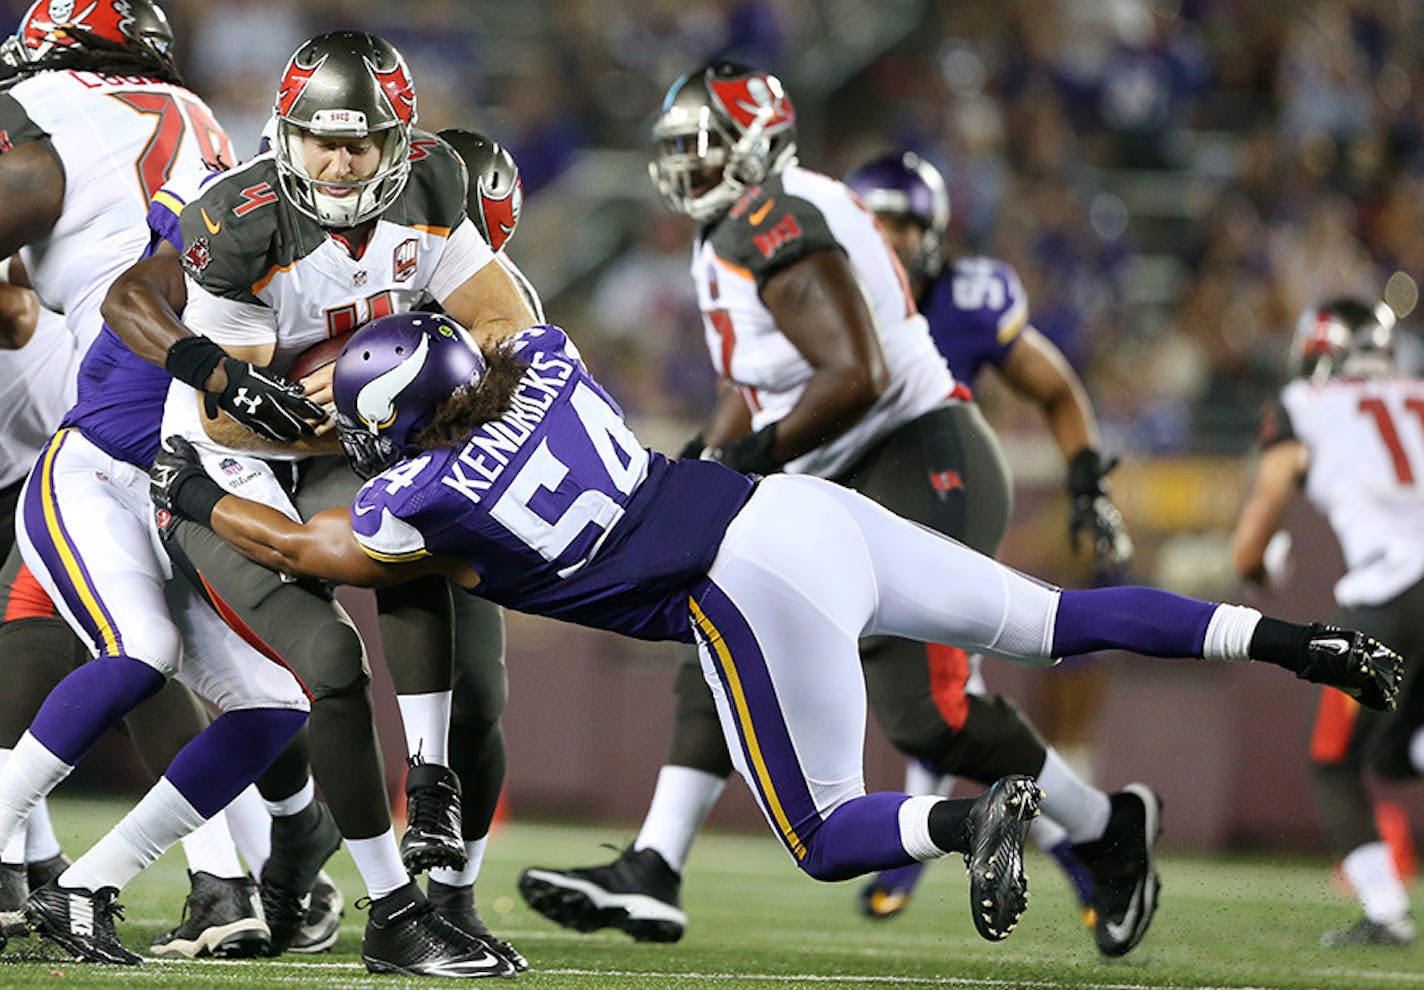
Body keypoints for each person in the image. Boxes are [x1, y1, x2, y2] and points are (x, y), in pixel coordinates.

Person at [149, 313, 1402, 956]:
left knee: (815, 832)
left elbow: (302, 550)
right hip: (798, 507)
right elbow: (487, 322)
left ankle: (971, 820)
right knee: (1057, 622)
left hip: (741, 578)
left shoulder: (419, 496)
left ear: (392, 423)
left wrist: (197, 491)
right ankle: (1299, 646)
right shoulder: (541, 358)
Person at [518, 61, 1149, 959]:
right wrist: (704, 461)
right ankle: (656, 862)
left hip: (913, 453)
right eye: (681, 152)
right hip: (831, 467)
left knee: (929, 714)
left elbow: (860, 374)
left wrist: (740, 459)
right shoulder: (732, 232)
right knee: (716, 614)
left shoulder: (780, 222)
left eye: (707, 150)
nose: (688, 170)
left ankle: (1100, 827)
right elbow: (755, 382)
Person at [100, 31, 536, 977]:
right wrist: (380, 407)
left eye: (360, 143)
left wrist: (425, 393)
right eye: (319, 141)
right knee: (330, 664)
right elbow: (235, 424)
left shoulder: (433, 184)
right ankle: (388, 907)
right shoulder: (241, 221)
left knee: (413, 542)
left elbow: (509, 324)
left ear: (399, 142)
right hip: (232, 463)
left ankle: (431, 793)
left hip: (342, 431)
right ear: (285, 134)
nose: (338, 163)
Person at [0, 0, 310, 958]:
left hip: (123, 388)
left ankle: (107, 877)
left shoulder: (50, 102)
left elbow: (31, 234)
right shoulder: (199, 118)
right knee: (138, 643)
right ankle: (233, 870)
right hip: (147, 403)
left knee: (243, 685)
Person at [841, 150, 1129, 921]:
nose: (895, 239)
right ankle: (1077, 842)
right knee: (935, 695)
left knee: (942, 698)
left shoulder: (970, 295)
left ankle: (1075, 842)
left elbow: (1054, 384)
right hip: (859, 508)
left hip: (942, 500)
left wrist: (1084, 478)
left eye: (907, 223)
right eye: (880, 223)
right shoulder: (826, 292)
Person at [1232, 296, 1424, 947]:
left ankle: (1385, 913)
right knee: (1399, 748)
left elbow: (1253, 535)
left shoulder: (1303, 404)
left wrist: (1256, 567)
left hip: (1389, 597)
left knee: (1334, 760)